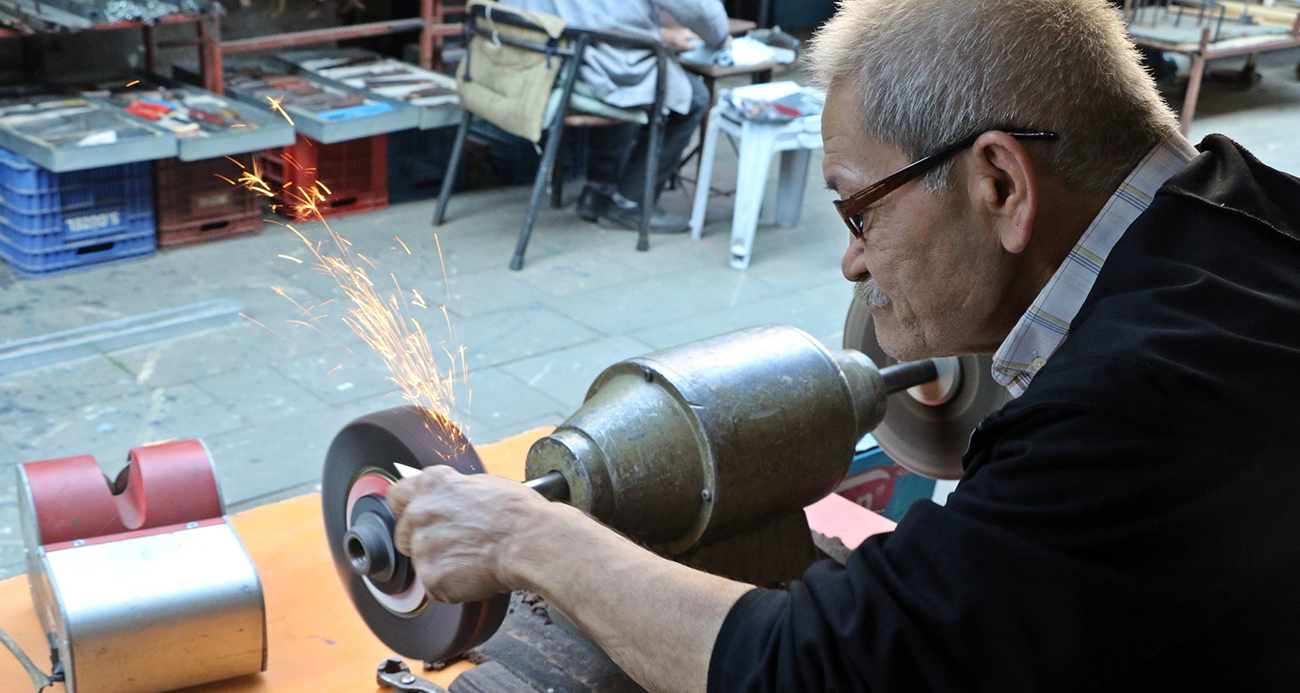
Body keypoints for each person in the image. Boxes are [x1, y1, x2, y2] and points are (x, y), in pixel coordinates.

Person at [388, 0, 1300, 690]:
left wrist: (525, 535)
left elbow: (824, 670)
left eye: (859, 210)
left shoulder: (1144, 396)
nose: (852, 263)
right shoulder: (1248, 211)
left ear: (999, 183)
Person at [501, 0, 728, 233]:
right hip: (593, 64)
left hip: (540, 65)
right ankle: (628, 203)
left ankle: (600, 190)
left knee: (632, 78)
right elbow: (701, 9)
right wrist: (720, 38)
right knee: (691, 97)